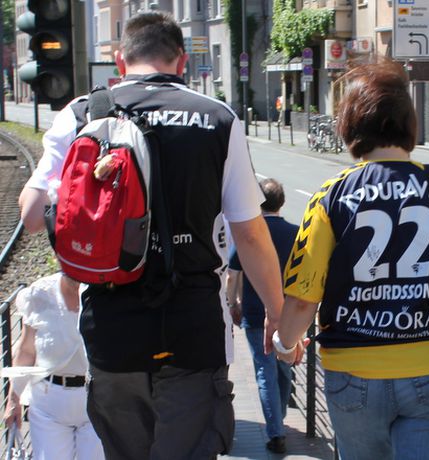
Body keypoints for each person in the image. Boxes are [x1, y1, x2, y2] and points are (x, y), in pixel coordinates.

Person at [17, 12, 284, 459]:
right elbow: (250, 233)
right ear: (181, 60)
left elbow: (30, 215)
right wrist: (276, 312)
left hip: (111, 328)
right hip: (193, 326)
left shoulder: (82, 113)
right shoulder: (217, 118)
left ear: (120, 60)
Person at [273, 59, 429, 460]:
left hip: (353, 370)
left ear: (349, 126)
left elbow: (302, 298)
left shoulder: (331, 195)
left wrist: (285, 343)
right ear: (410, 124)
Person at [226, 178, 298, 454]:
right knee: (284, 366)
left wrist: (233, 303)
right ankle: (279, 416)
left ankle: (276, 431)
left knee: (264, 370)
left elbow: (233, 275)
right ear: (282, 202)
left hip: (255, 313)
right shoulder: (295, 233)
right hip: (290, 313)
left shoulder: (250, 232)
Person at [3, 273, 104, 460]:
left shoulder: (106, 291)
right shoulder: (39, 294)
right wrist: (14, 399)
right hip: (48, 404)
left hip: (97, 400)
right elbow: (27, 351)